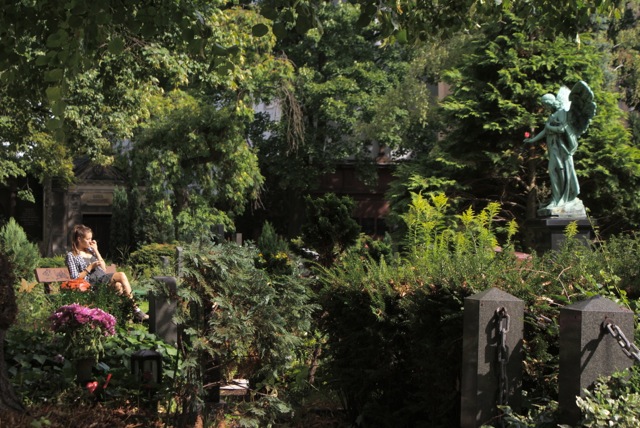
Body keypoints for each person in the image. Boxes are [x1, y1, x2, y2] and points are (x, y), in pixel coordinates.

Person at [66, 224, 148, 322]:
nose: (90, 241)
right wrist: (90, 267)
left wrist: (96, 250)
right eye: (88, 239)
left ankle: (122, 317)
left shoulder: (91, 251)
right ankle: (136, 310)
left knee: (118, 286)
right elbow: (75, 278)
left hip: (102, 278)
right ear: (79, 239)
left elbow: (104, 268)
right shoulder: (72, 255)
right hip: (92, 283)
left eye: (91, 238)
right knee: (121, 275)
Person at [524, 92, 580, 211]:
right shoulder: (553, 115)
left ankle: (558, 199)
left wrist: (549, 127)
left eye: (545, 104)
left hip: (559, 148)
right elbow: (544, 131)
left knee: (554, 170)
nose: (544, 107)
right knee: (554, 171)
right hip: (553, 148)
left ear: (550, 102)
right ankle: (556, 198)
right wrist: (532, 140)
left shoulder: (562, 112)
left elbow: (562, 129)